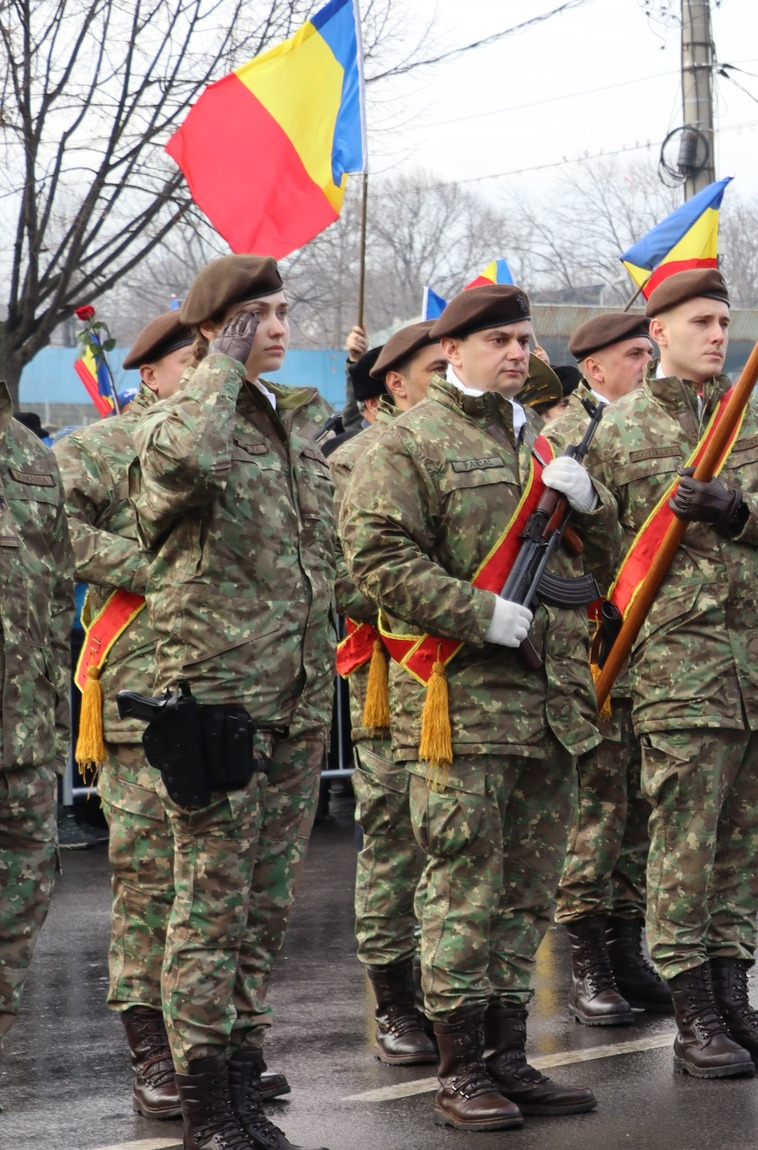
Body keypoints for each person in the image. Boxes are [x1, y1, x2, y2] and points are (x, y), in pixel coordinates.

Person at [342, 284, 614, 1130]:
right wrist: (478, 612)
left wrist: (594, 507)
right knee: (464, 887)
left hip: (549, 706)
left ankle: (507, 1054)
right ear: (451, 351)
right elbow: (374, 559)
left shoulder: (538, 443)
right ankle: (461, 1070)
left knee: (526, 894)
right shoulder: (411, 441)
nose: (518, 354)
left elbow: (593, 573)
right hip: (462, 707)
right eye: (499, 340)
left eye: (526, 341)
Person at [577, 268, 758, 1076]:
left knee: (750, 851)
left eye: (724, 320)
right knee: (683, 848)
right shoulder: (616, 435)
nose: (718, 335)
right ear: (657, 332)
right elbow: (596, 558)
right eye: (699, 322)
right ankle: (694, 1017)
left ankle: (733, 997)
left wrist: (742, 510)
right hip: (678, 674)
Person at [128, 255, 334, 1149]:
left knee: (264, 904)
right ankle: (205, 1102)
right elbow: (177, 475)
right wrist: (219, 365)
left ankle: (244, 1081)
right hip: (217, 699)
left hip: (293, 696)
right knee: (208, 905)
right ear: (213, 329)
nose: (278, 327)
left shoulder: (294, 424)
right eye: (257, 315)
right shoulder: (178, 417)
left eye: (284, 311)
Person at [55, 312, 192, 1118]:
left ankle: (210, 1046)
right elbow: (53, 523)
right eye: (194, 360)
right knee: (150, 885)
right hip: (141, 697)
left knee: (219, 889)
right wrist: (149, 567)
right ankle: (152, 1055)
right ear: (150, 373)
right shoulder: (105, 447)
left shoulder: (234, 448)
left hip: (228, 688)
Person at [327, 321, 446, 1068]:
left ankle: (454, 997)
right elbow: (345, 577)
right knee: (395, 845)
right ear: (394, 383)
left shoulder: (487, 449)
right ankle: (396, 1003)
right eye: (435, 366)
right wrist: (447, 601)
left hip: (469, 682)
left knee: (460, 849)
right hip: (394, 675)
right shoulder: (353, 461)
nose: (452, 372)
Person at [550, 310, 669, 1026]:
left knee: (637, 813)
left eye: (649, 353)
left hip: (650, 647)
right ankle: (588, 962)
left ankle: (627, 951)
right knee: (593, 814)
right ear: (594, 368)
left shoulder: (655, 427)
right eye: (633, 356)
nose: (647, 366)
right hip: (591, 647)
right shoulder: (566, 437)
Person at [0, 356, 71, 1096]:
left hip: (21, 746)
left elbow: (54, 594)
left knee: (18, 916)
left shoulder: (24, 451)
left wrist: (51, 727)